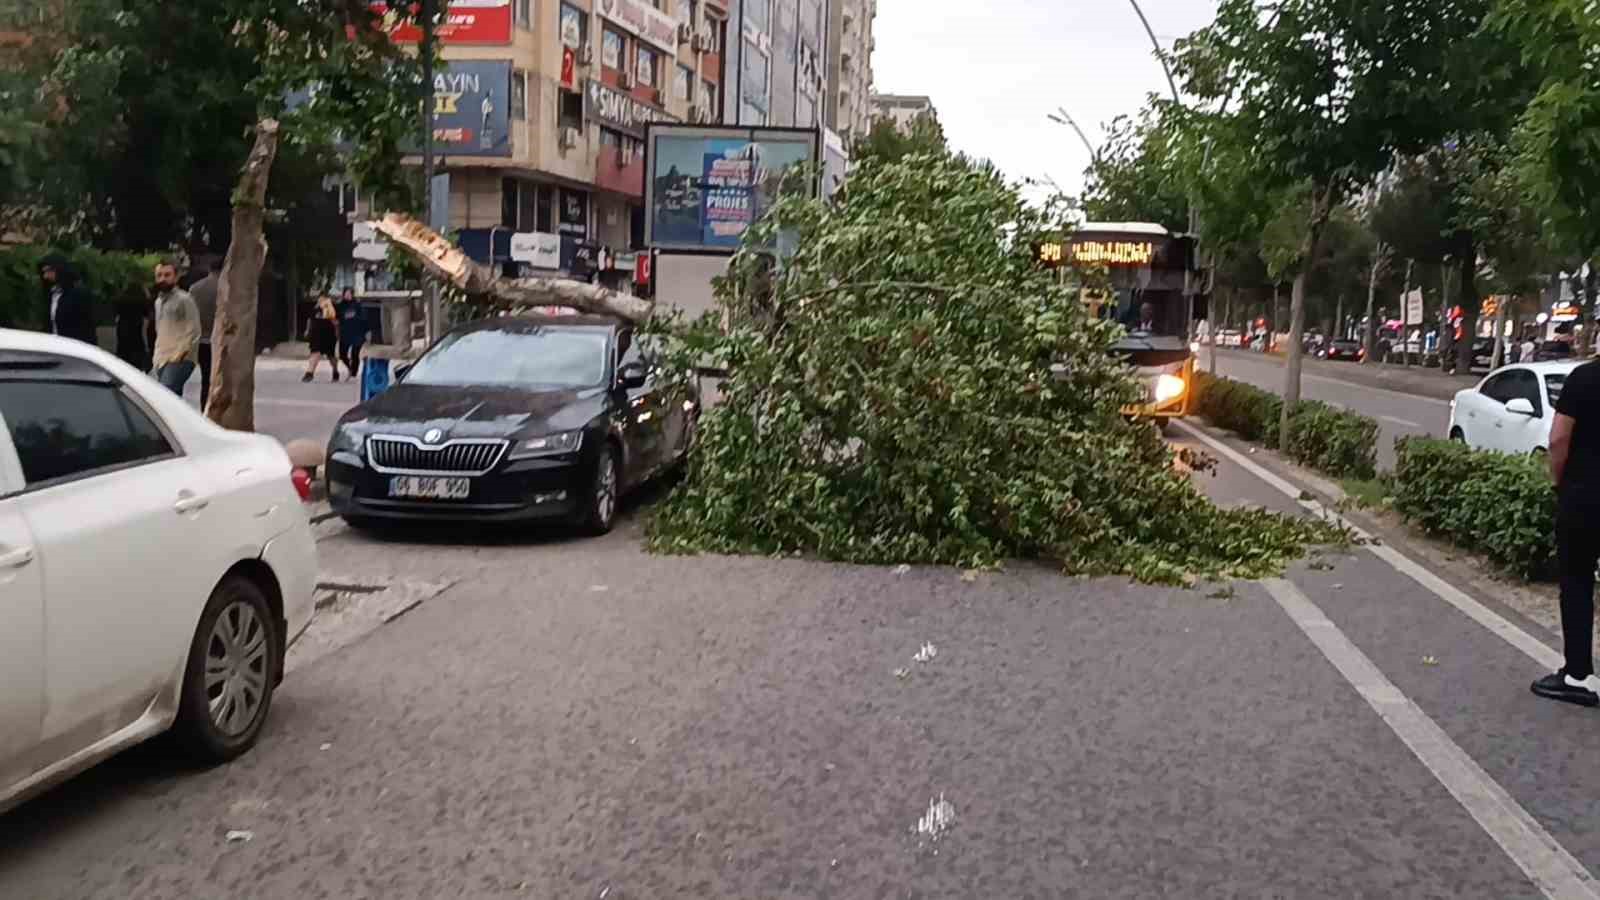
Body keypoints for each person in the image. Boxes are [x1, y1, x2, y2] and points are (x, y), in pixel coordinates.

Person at [1532, 356, 1600, 706]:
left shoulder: (1584, 378)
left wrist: (1560, 482)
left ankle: (1577, 675)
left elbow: (1559, 439)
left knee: (1577, 581)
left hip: (1585, 498)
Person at [150, 261, 201, 396]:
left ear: (176, 277)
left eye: (167, 275)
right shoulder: (158, 301)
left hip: (179, 358)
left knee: (164, 397)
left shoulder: (185, 299)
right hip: (161, 358)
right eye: (159, 275)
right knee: (173, 403)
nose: (163, 279)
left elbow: (193, 329)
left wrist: (179, 355)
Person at [38, 253, 98, 344]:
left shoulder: (79, 293)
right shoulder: (51, 294)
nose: (45, 276)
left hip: (75, 348)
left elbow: (87, 328)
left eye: (49, 271)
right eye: (44, 272)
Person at [189, 258, 221, 413]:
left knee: (205, 378)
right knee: (220, 380)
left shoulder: (195, 288)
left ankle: (204, 409)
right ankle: (216, 410)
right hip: (219, 341)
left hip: (200, 339)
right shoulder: (226, 288)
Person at [304, 294, 340, 383]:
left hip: (328, 335)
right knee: (314, 353)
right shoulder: (315, 309)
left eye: (323, 299)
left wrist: (337, 333)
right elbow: (310, 320)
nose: (321, 301)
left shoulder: (332, 308)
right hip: (316, 335)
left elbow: (336, 323)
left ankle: (335, 370)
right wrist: (307, 330)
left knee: (331, 356)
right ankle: (309, 373)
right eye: (319, 299)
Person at [336, 288, 369, 381]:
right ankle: (349, 367)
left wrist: (366, 332)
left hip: (357, 333)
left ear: (352, 294)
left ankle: (354, 373)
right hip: (345, 333)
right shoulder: (340, 305)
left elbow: (364, 318)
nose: (347, 295)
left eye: (349, 294)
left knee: (355, 353)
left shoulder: (358, 305)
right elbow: (336, 317)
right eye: (345, 293)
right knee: (342, 354)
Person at [114, 298, 152, 372]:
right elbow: (148, 314)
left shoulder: (121, 301)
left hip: (124, 335)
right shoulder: (140, 302)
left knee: (124, 360)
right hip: (136, 336)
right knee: (136, 362)